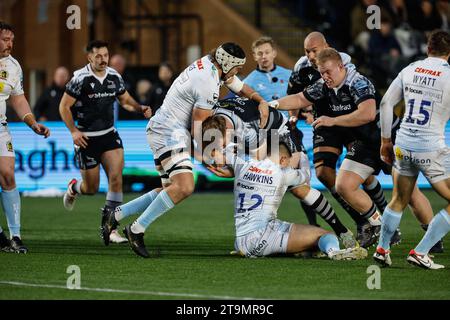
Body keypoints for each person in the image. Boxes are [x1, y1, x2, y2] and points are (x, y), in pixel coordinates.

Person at [100, 42, 270, 258]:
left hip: (165, 127)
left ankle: (115, 215)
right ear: (227, 64)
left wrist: (259, 100)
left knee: (170, 189)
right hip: (170, 131)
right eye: (237, 67)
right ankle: (136, 229)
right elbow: (199, 127)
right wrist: (207, 159)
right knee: (185, 186)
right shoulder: (207, 82)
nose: (239, 72)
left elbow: (235, 83)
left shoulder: (211, 64)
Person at [272, 48, 431, 247]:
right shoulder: (324, 85)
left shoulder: (358, 82)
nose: (325, 77)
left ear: (341, 67)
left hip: (389, 140)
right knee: (343, 185)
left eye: (328, 72)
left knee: (408, 192)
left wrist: (332, 121)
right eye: (321, 73)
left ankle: (433, 237)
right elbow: (300, 99)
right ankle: (382, 227)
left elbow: (368, 114)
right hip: (364, 144)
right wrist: (272, 104)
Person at [202, 97, 357, 248]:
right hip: (260, 131)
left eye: (223, 144)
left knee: (299, 188)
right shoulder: (215, 115)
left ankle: (341, 230)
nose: (222, 148)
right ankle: (305, 239)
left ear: (227, 130)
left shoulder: (246, 129)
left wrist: (234, 171)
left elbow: (258, 164)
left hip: (279, 132)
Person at [287, 31, 389, 246]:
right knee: (324, 173)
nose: (311, 56)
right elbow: (297, 95)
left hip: (349, 122)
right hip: (326, 125)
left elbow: (362, 103)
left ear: (326, 46)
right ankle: (363, 221)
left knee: (363, 174)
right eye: (307, 51)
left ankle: (385, 216)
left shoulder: (342, 64)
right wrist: (294, 116)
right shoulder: (301, 67)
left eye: (314, 50)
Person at [59, 40, 152, 244]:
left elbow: (125, 100)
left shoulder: (113, 76)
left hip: (109, 135)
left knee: (116, 179)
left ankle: (109, 229)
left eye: (106, 55)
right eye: (98, 56)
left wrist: (139, 107)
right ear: (89, 57)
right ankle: (74, 188)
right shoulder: (79, 78)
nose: (103, 59)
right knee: (91, 188)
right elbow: (64, 107)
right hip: (86, 139)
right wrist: (74, 132)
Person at [212, 140, 368, 260]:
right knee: (326, 235)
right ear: (282, 159)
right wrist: (304, 157)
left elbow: (220, 152)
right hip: (263, 236)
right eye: (288, 161)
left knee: (304, 239)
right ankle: (335, 253)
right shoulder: (282, 173)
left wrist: (232, 145)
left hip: (241, 240)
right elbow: (306, 175)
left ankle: (301, 251)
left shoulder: (243, 165)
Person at [373, 30, 450, 269]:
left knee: (398, 198)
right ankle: (421, 251)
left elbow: (386, 103)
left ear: (428, 49)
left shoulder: (410, 69)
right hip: (430, 148)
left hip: (403, 145)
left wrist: (386, 140)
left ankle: (382, 249)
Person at [243, 36, 320, 228]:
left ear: (274, 53)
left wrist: (309, 112)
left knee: (301, 183)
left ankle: (313, 224)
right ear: (254, 56)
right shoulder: (249, 82)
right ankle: (258, 226)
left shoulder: (291, 74)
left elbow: (307, 96)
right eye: (259, 53)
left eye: (267, 52)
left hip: (291, 132)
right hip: (267, 137)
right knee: (262, 183)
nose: (264, 56)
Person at [0, 21, 50, 253]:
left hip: (1, 129)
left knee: (8, 175)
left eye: (11, 39)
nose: (10, 44)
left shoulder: (13, 66)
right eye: (5, 39)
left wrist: (32, 124)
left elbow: (18, 99)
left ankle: (15, 236)